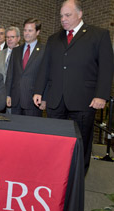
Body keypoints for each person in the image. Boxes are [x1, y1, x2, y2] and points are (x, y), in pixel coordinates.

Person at [33, 0, 114, 175]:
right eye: (61, 15)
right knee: (54, 140)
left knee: (81, 142)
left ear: (80, 14)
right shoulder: (54, 38)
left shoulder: (99, 35)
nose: (63, 19)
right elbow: (46, 67)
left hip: (84, 99)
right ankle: (54, 174)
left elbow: (106, 68)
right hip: (56, 99)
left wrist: (101, 95)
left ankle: (78, 178)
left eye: (67, 15)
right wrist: (40, 92)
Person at [5, 19, 45, 116]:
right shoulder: (16, 51)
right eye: (25, 30)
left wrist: (44, 98)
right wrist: (7, 94)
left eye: (30, 30)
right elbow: (10, 74)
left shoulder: (44, 51)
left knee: (31, 130)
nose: (26, 33)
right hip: (16, 99)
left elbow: (46, 76)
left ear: (38, 32)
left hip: (33, 101)